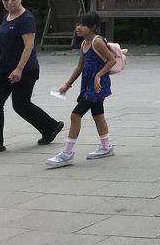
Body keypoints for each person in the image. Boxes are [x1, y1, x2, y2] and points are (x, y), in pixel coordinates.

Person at [0, 0, 66, 154]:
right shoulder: (6, 17)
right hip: (4, 69)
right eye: (5, 0)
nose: (9, 3)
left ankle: (51, 127)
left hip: (25, 69)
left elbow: (29, 46)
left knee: (21, 105)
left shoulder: (26, 19)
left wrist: (19, 69)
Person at [46, 11, 118, 168]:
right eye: (77, 24)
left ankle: (67, 153)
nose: (78, 28)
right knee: (98, 114)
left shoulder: (96, 42)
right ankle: (106, 147)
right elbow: (80, 66)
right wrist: (68, 84)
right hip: (89, 85)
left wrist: (99, 75)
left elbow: (112, 60)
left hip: (97, 86)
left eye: (83, 25)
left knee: (75, 115)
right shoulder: (85, 43)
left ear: (93, 27)